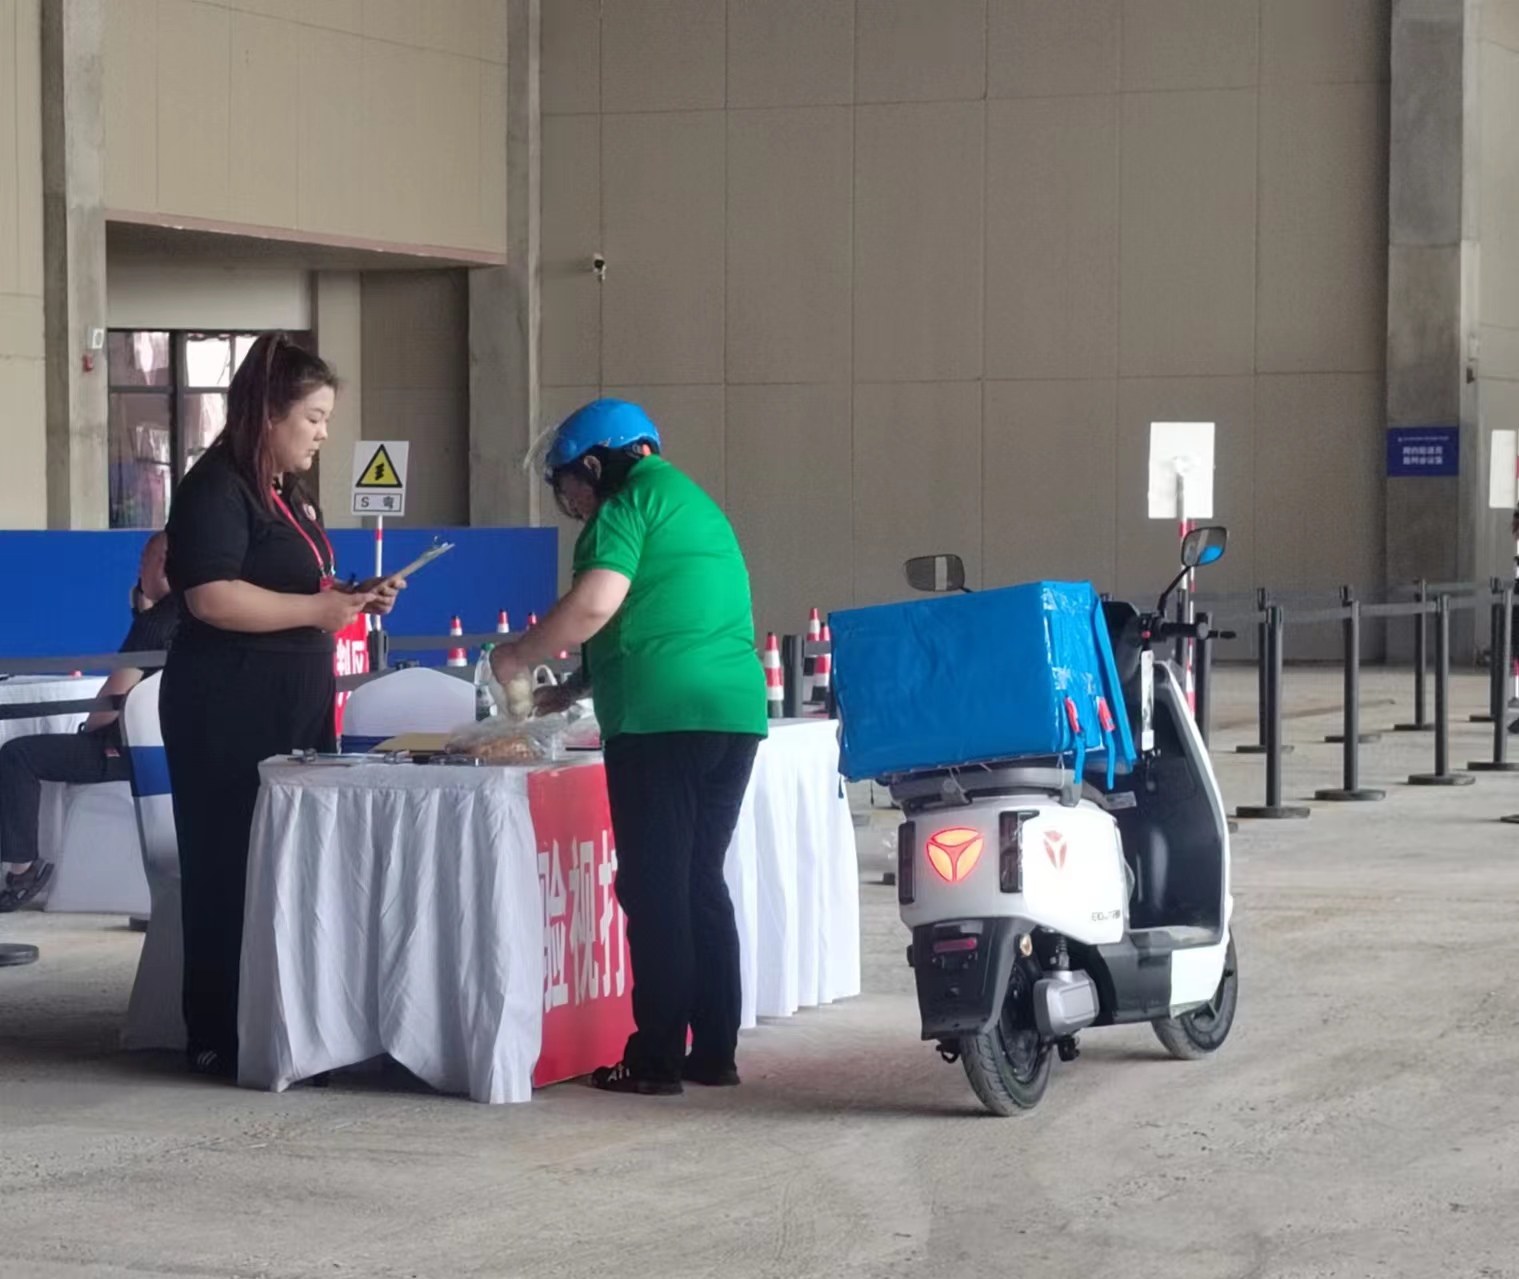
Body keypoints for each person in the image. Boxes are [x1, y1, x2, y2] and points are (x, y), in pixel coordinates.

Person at [492, 398, 768, 1096]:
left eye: (570, 485)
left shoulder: (626, 505)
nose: (574, 503)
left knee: (654, 886)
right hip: (732, 714)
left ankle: (654, 1060)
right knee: (699, 879)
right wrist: (574, 687)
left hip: (660, 718)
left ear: (595, 464)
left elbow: (595, 603)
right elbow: (663, 608)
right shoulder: (690, 502)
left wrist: (518, 657)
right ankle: (714, 1051)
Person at [161, 332, 403, 1078]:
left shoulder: (286, 493)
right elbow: (211, 597)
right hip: (226, 708)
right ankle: (218, 1031)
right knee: (229, 864)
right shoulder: (215, 488)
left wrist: (349, 597)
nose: (323, 434)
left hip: (293, 702)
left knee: (289, 866)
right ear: (268, 414)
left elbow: (296, 587)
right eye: (314, 418)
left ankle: (288, 1021)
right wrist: (315, 611)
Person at [0, 533, 180, 912]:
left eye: (143, 562)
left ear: (162, 564)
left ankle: (22, 870)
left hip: (126, 753)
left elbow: (110, 703)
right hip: (175, 753)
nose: (139, 571)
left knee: (18, 755)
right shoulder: (197, 619)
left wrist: (90, 729)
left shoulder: (153, 625)